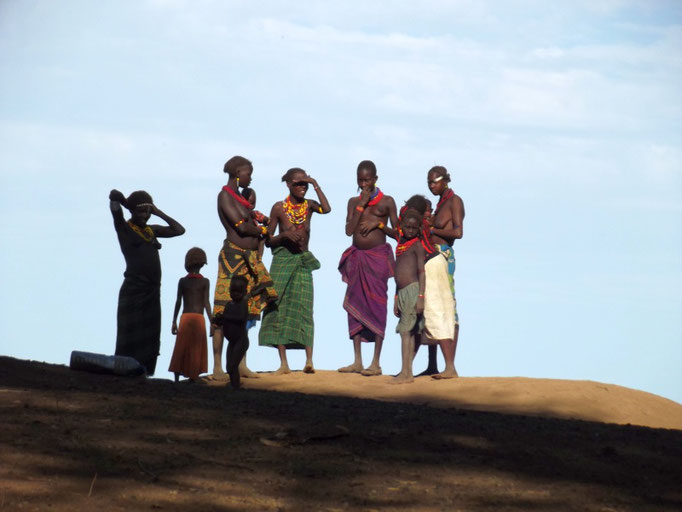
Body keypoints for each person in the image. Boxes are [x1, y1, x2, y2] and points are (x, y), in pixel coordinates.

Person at [211, 156, 278, 380]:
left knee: (245, 310)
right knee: (222, 311)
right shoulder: (224, 196)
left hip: (249, 259)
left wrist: (256, 225)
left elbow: (250, 223)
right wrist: (261, 230)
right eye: (249, 173)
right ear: (238, 173)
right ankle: (218, 366)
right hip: (232, 257)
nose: (251, 177)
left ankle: (241, 363)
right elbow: (241, 227)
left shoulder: (241, 198)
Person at [259, 168, 331, 374]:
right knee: (278, 308)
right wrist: (283, 237)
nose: (303, 187)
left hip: (302, 263)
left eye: (305, 184)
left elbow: (327, 209)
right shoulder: (278, 208)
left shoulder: (309, 206)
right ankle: (284, 364)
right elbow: (269, 238)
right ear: (289, 184)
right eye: (299, 183)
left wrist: (315, 182)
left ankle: (309, 361)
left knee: (305, 309)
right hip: (282, 261)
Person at [109, 189, 185, 376]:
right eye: (141, 212)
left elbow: (179, 230)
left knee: (150, 334)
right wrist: (127, 205)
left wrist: (157, 211)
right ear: (132, 212)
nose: (145, 216)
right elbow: (113, 197)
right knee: (130, 332)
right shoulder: (124, 228)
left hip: (152, 291)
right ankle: (123, 371)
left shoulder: (151, 231)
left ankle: (145, 372)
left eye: (148, 212)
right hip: (134, 289)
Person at [338, 160, 399, 377]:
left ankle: (375, 363)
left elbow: (400, 234)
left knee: (377, 307)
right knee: (354, 306)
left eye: (368, 180)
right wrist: (361, 206)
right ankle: (357, 360)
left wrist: (379, 225)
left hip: (377, 260)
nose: (364, 184)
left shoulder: (388, 202)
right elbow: (348, 230)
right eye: (360, 180)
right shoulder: (353, 201)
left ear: (376, 179)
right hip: (358, 259)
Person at [422, 165, 465, 379]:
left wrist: (433, 230)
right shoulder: (440, 203)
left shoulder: (454, 201)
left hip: (444, 256)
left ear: (445, 180)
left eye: (435, 181)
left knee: (447, 309)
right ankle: (433, 365)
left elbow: (458, 232)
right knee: (432, 309)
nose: (431, 186)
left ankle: (450, 367)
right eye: (429, 182)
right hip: (431, 256)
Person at [391, 209, 426, 384]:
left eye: (414, 228)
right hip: (402, 292)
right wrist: (396, 298)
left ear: (419, 229)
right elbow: (398, 273)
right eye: (407, 227)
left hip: (413, 291)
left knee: (406, 332)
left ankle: (406, 373)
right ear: (402, 226)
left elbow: (422, 272)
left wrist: (421, 296)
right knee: (408, 332)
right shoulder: (401, 244)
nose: (410, 230)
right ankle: (406, 372)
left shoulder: (417, 246)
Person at [168, 247, 212, 382]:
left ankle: (176, 377)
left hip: (185, 317)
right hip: (199, 318)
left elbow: (178, 302)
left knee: (181, 346)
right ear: (202, 264)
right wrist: (212, 322)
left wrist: (174, 321)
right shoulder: (205, 281)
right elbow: (206, 303)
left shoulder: (183, 281)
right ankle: (194, 377)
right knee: (197, 347)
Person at [214, 276, 250, 390]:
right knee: (229, 367)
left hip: (241, 340)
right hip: (232, 341)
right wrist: (218, 319)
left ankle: (235, 386)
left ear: (245, 292)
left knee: (233, 365)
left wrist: (225, 317)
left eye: (239, 292)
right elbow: (224, 320)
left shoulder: (243, 304)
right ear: (229, 291)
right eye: (233, 291)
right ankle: (234, 385)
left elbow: (241, 318)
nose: (235, 294)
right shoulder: (229, 305)